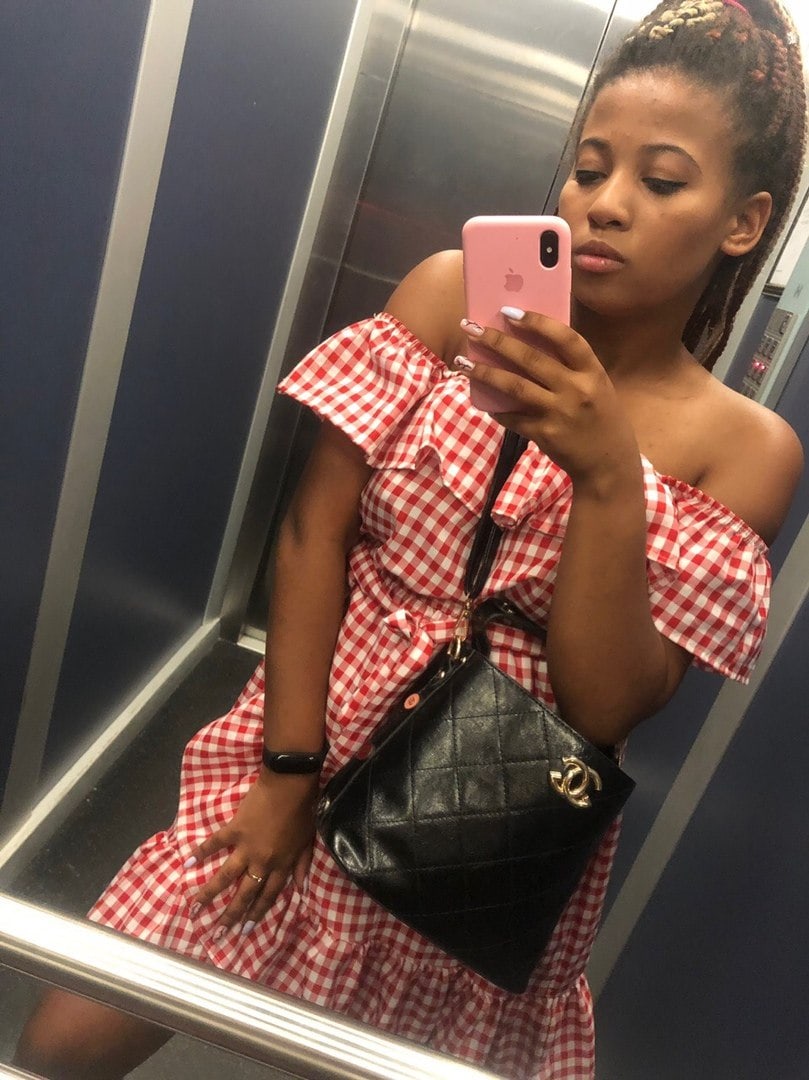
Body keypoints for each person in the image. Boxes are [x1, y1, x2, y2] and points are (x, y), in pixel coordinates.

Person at [15, 1, 807, 1077]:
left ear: (743, 223)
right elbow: (313, 532)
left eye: (660, 182)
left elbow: (605, 706)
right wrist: (287, 772)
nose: (603, 205)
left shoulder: (745, 450)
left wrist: (605, 476)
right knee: (67, 1040)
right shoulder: (449, 298)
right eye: (588, 169)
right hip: (315, 726)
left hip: (488, 816)